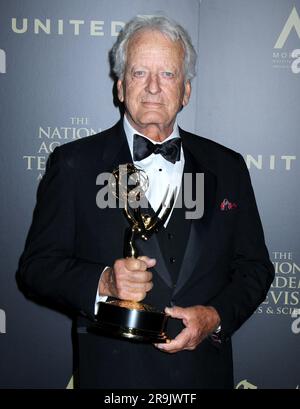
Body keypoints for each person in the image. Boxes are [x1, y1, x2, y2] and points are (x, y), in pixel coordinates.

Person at [17, 15, 274, 389]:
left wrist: (215, 317)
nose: (153, 87)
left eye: (168, 74)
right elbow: (36, 269)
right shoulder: (75, 164)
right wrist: (104, 281)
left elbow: (255, 268)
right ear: (120, 86)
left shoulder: (227, 167)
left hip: (202, 376)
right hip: (113, 379)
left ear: (186, 90)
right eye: (139, 73)